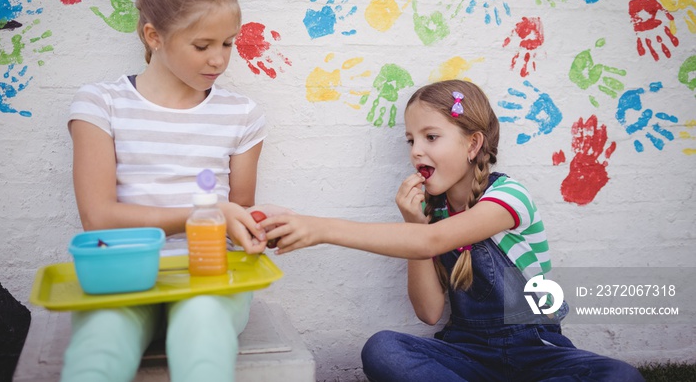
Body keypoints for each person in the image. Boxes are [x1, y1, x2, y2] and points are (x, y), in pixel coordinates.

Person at [260, 80, 644, 381]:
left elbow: (435, 240)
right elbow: (429, 312)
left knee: (618, 375)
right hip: (468, 355)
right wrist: (415, 223)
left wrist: (321, 228)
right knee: (383, 349)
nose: (415, 151)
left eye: (430, 137)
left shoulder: (509, 197)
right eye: (411, 140)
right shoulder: (432, 215)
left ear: (473, 143)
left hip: (536, 350)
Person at [64, 0, 268, 382]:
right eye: (202, 45)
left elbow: (240, 215)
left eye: (228, 43)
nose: (219, 60)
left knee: (202, 334)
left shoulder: (242, 114)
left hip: (210, 278)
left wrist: (255, 228)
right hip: (122, 274)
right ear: (154, 36)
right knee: (99, 346)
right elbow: (98, 219)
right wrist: (202, 217)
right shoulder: (100, 105)